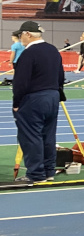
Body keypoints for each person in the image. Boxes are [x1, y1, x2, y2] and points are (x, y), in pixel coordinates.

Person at [11, 21, 66, 183]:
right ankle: (49, 171)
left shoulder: (29, 53)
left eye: (21, 35)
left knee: (31, 136)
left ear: (28, 34)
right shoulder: (53, 50)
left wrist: (16, 102)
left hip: (34, 98)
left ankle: (35, 174)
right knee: (48, 136)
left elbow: (20, 81)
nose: (20, 38)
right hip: (53, 96)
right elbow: (61, 76)